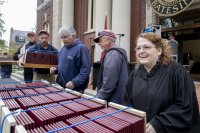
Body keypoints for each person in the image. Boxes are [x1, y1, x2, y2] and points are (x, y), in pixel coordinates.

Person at [123, 32, 200, 133]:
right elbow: (127, 102)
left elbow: (185, 104)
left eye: (146, 47)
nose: (141, 51)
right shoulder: (134, 75)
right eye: (138, 48)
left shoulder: (176, 71)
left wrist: (159, 124)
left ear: (159, 50)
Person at [50, 26, 91, 93]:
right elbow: (63, 64)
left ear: (73, 35)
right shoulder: (63, 48)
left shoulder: (81, 48)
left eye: (65, 37)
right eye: (62, 37)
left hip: (76, 89)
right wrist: (56, 69)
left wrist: (75, 82)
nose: (63, 40)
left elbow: (86, 69)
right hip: (62, 86)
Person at [93, 29, 128, 104]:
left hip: (113, 100)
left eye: (100, 40)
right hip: (118, 99)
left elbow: (109, 83)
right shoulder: (116, 53)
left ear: (108, 40)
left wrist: (98, 98)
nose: (99, 44)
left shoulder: (113, 54)